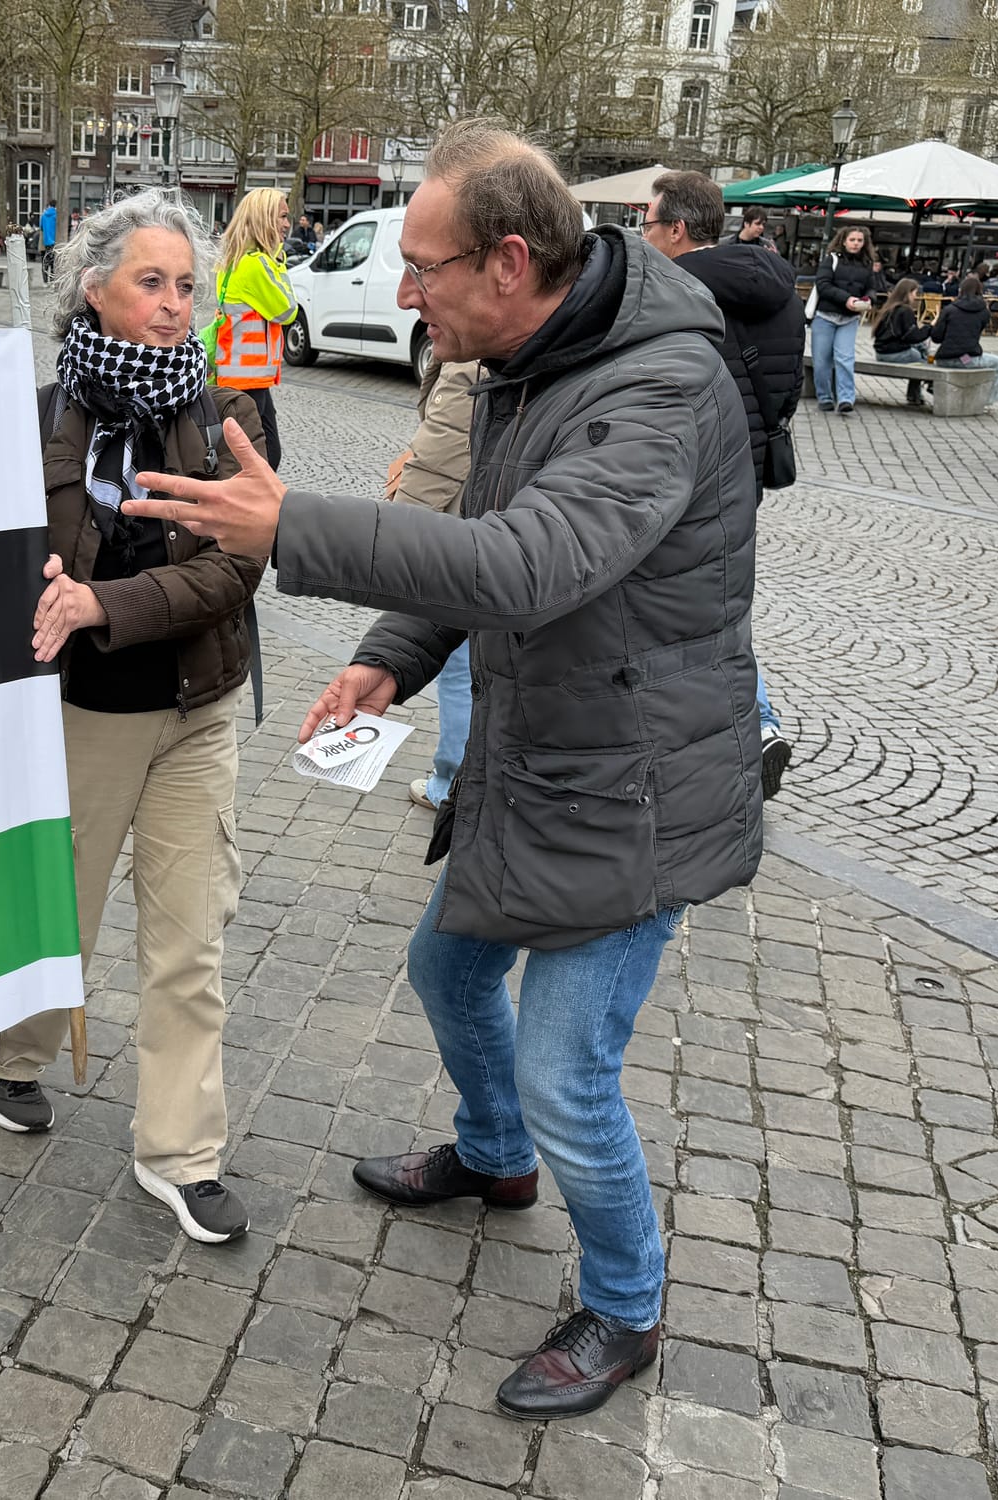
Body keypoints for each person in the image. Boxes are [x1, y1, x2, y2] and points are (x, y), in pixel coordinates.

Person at [121, 122, 760, 1417]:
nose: (404, 293)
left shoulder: (660, 386)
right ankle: (494, 1159)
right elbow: (480, 533)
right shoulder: (532, 356)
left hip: (637, 785)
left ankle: (625, 1305)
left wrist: (292, 525)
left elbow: (532, 564)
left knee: (567, 1070)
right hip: (549, 757)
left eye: (423, 268)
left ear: (509, 262)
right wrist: (390, 659)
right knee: (449, 970)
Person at [0, 190, 267, 1248]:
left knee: (189, 944)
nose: (175, 304)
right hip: (81, 716)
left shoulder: (227, 414)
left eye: (186, 285)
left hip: (196, 712)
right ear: (93, 291)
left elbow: (237, 566)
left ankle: (179, 1154)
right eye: (152, 282)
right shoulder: (34, 415)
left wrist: (105, 603)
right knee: (65, 919)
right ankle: (11, 1052)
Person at [643, 170, 804, 802]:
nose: (645, 236)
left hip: (685, 466)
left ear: (677, 229)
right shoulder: (781, 284)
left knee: (683, 604)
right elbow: (791, 382)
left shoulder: (673, 288)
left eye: (649, 225)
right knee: (722, 597)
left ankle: (751, 724)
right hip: (748, 468)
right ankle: (751, 728)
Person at [386, 356, 478, 814]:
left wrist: (398, 546)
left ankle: (451, 782)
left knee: (460, 665)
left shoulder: (472, 359)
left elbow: (441, 453)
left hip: (466, 537)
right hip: (499, 531)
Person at [206, 187, 297, 469]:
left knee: (252, 456)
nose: (287, 224)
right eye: (282, 216)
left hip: (237, 374)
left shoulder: (234, 262)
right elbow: (287, 310)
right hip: (248, 379)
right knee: (260, 458)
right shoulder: (257, 265)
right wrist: (279, 260)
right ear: (264, 218)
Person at [810, 225, 880, 415]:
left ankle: (846, 399)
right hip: (825, 316)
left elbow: (871, 287)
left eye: (859, 240)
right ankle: (824, 397)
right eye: (852, 240)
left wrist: (869, 299)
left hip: (849, 318)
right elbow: (823, 284)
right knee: (822, 360)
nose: (856, 243)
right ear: (844, 241)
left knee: (845, 358)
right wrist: (846, 299)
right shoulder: (831, 260)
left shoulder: (867, 264)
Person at [929, 274, 998, 404]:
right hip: (966, 358)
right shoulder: (984, 312)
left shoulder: (949, 309)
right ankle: (989, 400)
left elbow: (936, 337)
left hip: (943, 358)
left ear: (960, 290)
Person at [871, 277, 936, 407]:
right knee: (921, 359)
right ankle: (927, 385)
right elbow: (912, 337)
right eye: (915, 293)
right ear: (908, 293)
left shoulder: (887, 309)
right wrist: (929, 328)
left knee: (919, 351)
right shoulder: (905, 311)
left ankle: (916, 394)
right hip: (894, 353)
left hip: (881, 352)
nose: (916, 297)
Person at [6, 217, 30, 329]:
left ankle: (23, 326)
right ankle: (23, 326)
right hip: (14, 243)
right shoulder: (15, 241)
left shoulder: (15, 241)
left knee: (19, 292)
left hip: (15, 243)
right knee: (20, 293)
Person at [40, 198, 58, 283]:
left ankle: (45, 281)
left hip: (46, 241)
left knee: (45, 261)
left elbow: (41, 227)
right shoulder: (56, 215)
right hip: (55, 241)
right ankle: (52, 280)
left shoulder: (44, 215)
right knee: (54, 262)